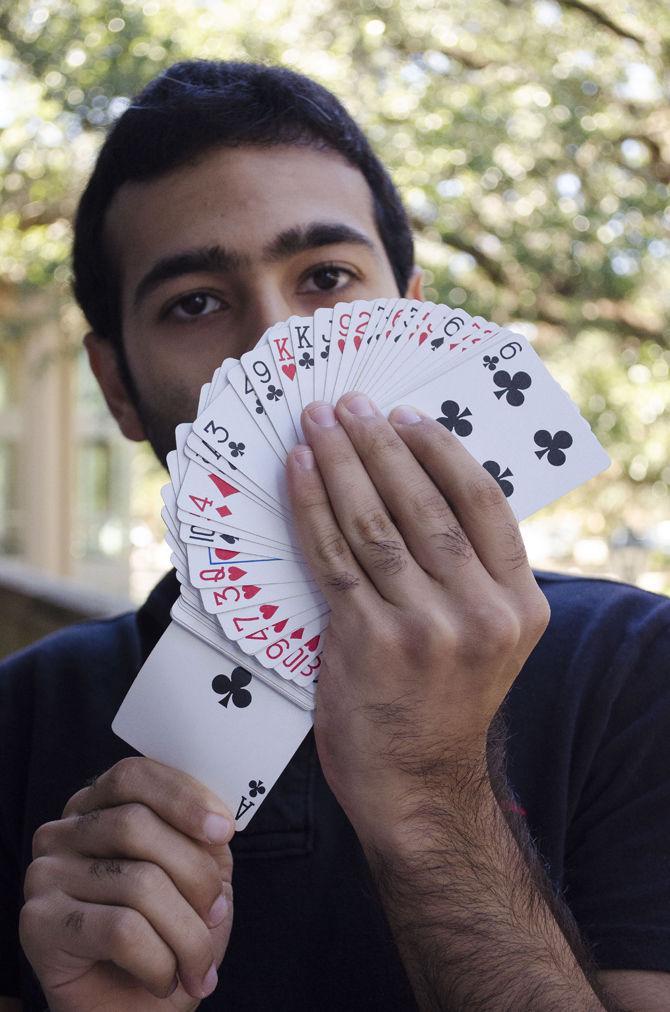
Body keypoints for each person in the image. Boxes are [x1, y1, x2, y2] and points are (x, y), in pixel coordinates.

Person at [1, 59, 669, 1012]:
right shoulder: (22, 719)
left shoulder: (639, 670)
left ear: (419, 318)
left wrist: (432, 800)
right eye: (195, 300)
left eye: (325, 277)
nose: (277, 350)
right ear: (117, 386)